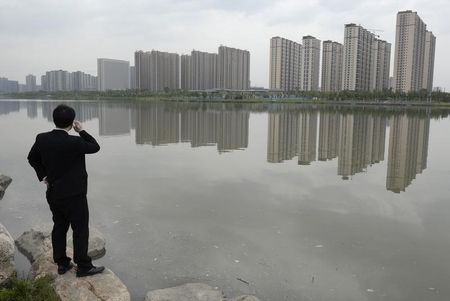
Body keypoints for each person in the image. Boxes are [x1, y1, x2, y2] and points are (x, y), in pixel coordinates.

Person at [27, 104, 104, 277]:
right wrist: (81, 131)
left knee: (59, 226)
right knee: (80, 230)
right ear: (71, 123)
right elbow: (95, 146)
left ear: (53, 119)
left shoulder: (42, 138)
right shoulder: (76, 142)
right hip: (75, 195)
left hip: (54, 192)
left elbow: (32, 159)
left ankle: (62, 263)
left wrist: (44, 176)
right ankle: (83, 266)